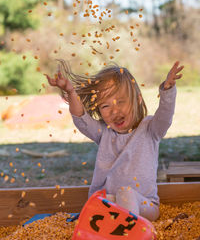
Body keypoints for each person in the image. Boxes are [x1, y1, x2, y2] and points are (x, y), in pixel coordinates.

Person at [45, 60, 184, 221]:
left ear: (138, 99)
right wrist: (70, 92)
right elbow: (81, 118)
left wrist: (167, 89)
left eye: (121, 101)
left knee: (126, 193)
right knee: (101, 201)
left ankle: (129, 234)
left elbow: (165, 116)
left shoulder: (150, 129)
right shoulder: (104, 132)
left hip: (145, 207)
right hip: (111, 205)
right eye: (105, 106)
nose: (114, 111)